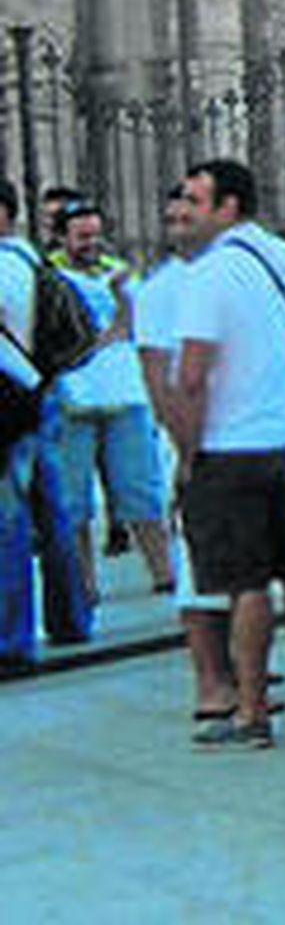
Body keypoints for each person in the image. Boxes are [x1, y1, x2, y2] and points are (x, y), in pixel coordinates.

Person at [174, 159, 285, 748]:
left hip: (231, 444)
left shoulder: (209, 276)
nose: (185, 210)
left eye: (196, 199)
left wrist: (190, 454)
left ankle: (251, 712)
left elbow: (191, 375)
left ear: (228, 207)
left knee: (247, 584)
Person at [134, 185, 234, 721]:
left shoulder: (225, 274)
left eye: (188, 215)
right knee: (197, 569)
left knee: (238, 569)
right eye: (170, 219)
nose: (179, 227)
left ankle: (240, 670)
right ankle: (210, 683)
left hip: (237, 436)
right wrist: (187, 450)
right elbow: (159, 376)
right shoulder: (161, 290)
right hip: (192, 440)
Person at [52, 200, 173, 600]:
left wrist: (124, 310)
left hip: (124, 394)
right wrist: (120, 316)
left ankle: (163, 571)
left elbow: (140, 330)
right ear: (62, 237)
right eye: (82, 236)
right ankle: (83, 584)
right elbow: (82, 341)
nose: (91, 243)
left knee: (140, 488)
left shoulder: (118, 273)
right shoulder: (51, 277)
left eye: (95, 234)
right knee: (74, 501)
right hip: (73, 399)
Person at [0, 178, 93, 674]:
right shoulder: (33, 260)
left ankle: (10, 639)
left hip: (8, 404)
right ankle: (71, 617)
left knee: (8, 522)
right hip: (40, 398)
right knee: (50, 512)